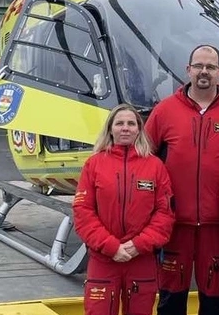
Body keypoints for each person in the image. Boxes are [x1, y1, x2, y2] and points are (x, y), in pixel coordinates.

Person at [145, 44, 219, 315]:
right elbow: (144, 161)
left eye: (210, 67)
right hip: (174, 226)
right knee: (170, 301)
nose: (204, 72)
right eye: (198, 66)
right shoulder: (164, 111)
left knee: (215, 303)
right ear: (188, 70)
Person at [73, 103, 175, 315]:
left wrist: (138, 245)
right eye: (119, 123)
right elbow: (83, 212)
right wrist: (111, 247)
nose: (125, 128)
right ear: (110, 129)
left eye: (131, 123)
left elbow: (165, 214)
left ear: (139, 129)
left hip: (141, 258)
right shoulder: (94, 165)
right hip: (104, 259)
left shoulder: (155, 166)